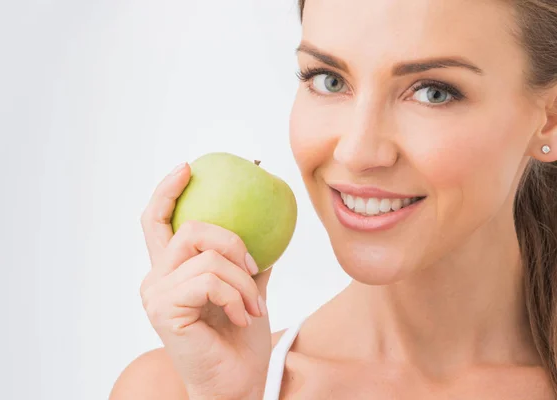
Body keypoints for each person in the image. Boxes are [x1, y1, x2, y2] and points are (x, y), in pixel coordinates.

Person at [109, 0, 557, 398]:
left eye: (432, 92)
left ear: (549, 119)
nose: (357, 152)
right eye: (328, 80)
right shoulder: (174, 389)